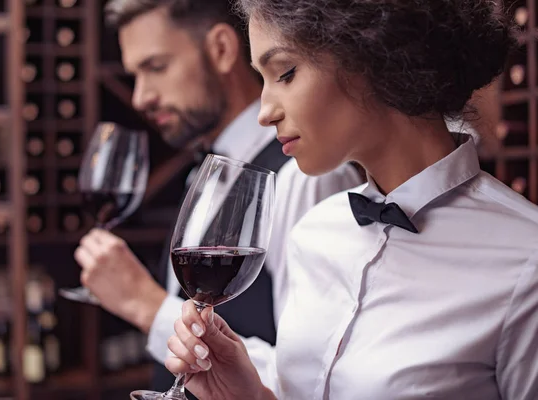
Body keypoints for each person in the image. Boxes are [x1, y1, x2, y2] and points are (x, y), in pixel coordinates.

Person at [165, 1, 538, 399]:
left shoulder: (525, 261)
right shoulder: (313, 233)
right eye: (263, 79)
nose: (265, 112)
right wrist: (252, 395)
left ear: (373, 54)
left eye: (285, 74)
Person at [73, 0, 364, 394]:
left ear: (222, 50)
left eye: (156, 68)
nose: (141, 97)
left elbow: (311, 377)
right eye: (135, 75)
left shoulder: (303, 176)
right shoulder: (205, 170)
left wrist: (146, 306)